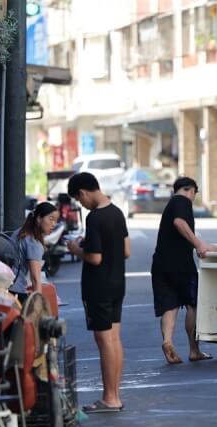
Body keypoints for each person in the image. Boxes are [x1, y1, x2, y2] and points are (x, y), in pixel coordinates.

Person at [67, 172, 131, 413]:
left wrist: (75, 248)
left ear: (83, 192)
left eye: (78, 200)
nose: (81, 204)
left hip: (99, 286)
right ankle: (115, 395)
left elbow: (94, 257)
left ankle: (110, 398)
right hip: (117, 284)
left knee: (104, 341)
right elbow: (126, 250)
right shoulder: (116, 212)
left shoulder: (94, 218)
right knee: (114, 339)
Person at [152, 177, 217, 365]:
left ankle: (167, 341)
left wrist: (205, 245)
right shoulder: (182, 201)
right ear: (191, 190)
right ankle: (194, 350)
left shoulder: (171, 204)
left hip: (160, 264)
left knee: (170, 306)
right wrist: (199, 245)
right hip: (180, 266)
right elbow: (180, 223)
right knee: (192, 305)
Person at [8, 201, 59, 305]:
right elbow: (35, 278)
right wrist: (38, 303)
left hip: (7, 286)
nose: (54, 224)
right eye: (51, 219)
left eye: (55, 221)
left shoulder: (19, 232)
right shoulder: (33, 242)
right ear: (39, 218)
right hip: (17, 291)